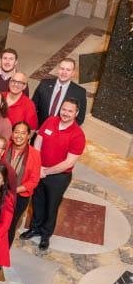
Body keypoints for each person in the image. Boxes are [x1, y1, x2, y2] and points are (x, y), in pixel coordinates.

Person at [20, 98, 86, 251]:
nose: (66, 113)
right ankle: (35, 228)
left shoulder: (78, 135)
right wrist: (37, 165)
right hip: (40, 170)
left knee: (51, 205)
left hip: (58, 177)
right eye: (64, 109)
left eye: (70, 111)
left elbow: (69, 162)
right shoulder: (50, 121)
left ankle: (45, 234)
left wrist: (46, 171)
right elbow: (38, 141)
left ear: (76, 113)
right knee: (37, 201)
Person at [6, 121, 41, 245]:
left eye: (23, 133)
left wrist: (14, 189)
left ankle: (1, 257)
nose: (19, 136)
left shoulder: (35, 154)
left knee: (10, 225)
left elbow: (34, 180)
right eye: (16, 132)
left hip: (19, 197)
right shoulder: (4, 147)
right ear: (12, 134)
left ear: (28, 136)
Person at [31, 58, 87, 126]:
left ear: (73, 73)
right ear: (58, 70)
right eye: (62, 68)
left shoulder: (80, 92)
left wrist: (64, 131)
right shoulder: (44, 84)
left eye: (68, 70)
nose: (64, 72)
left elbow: (79, 118)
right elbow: (32, 107)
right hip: (40, 128)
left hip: (60, 133)